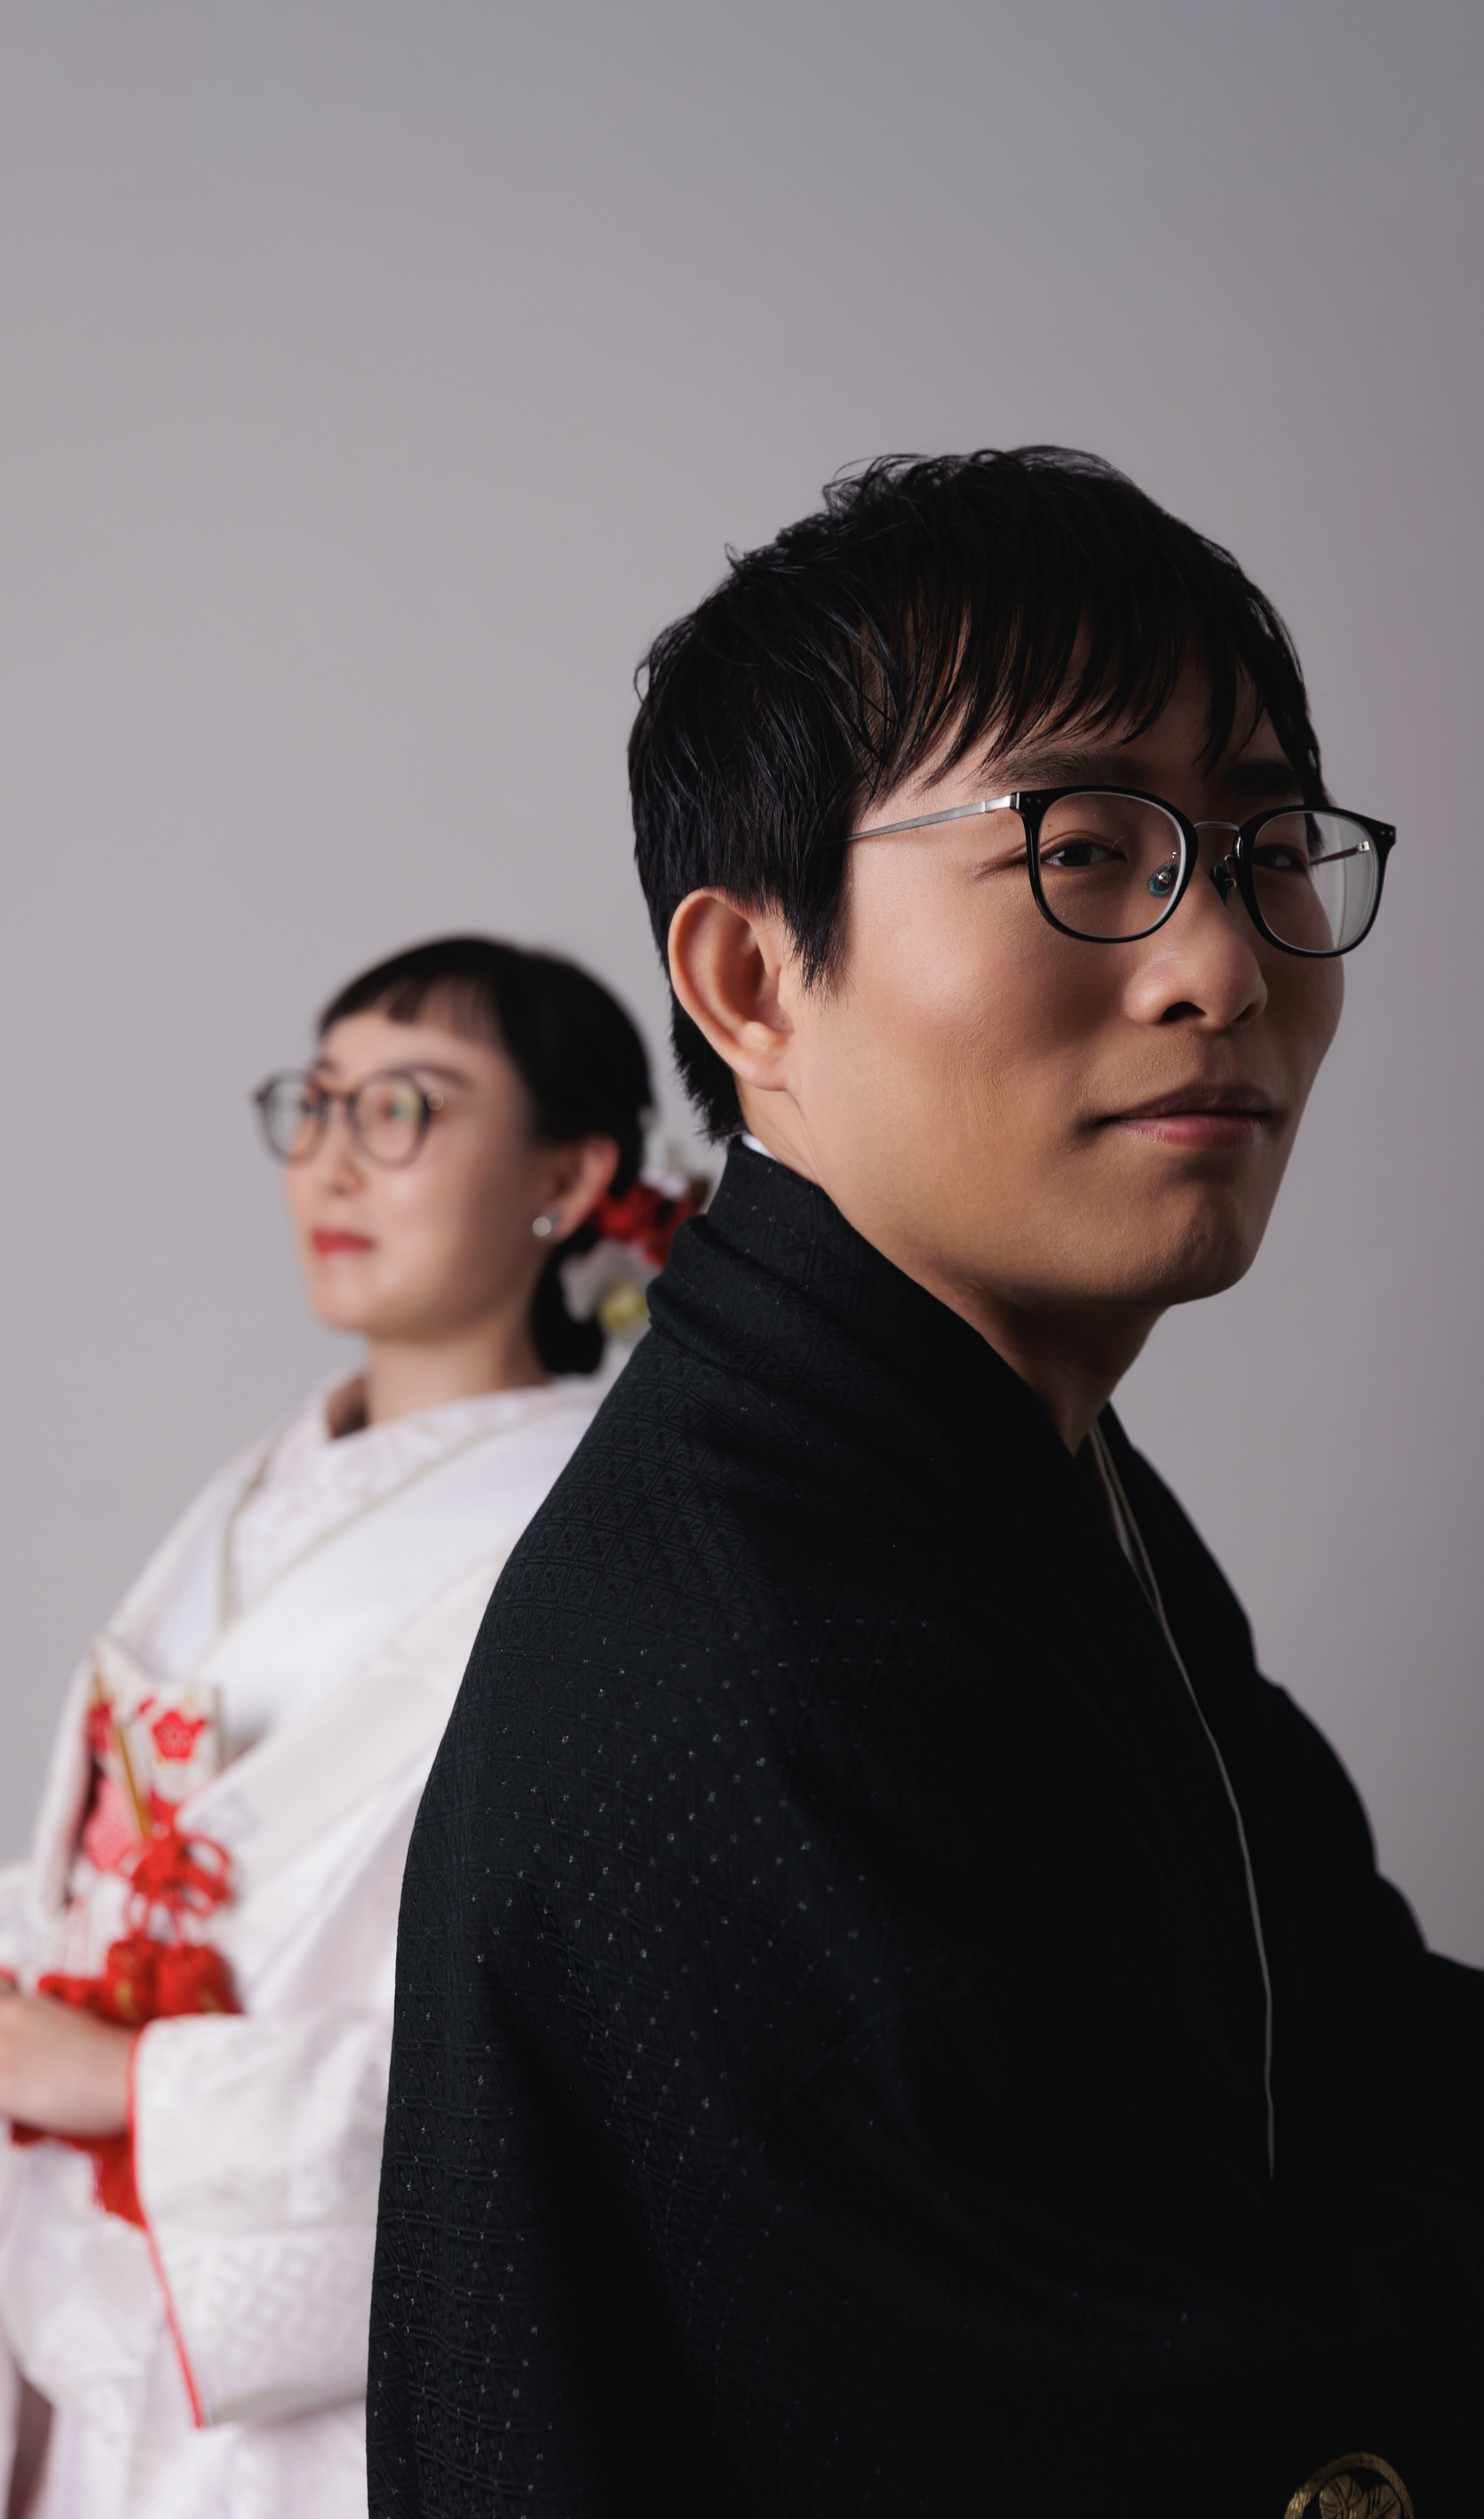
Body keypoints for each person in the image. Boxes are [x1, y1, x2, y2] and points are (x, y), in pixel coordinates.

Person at [366, 453, 1484, 2516]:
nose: (1224, 963)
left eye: (1265, 848)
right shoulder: (755, 1664)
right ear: (751, 983)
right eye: (1085, 848)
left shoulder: (1002, 1464)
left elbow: (1359, 2041)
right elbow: (1169, 2445)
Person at [0, 935, 668, 2519]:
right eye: (317, 1104)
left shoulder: (606, 1531)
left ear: (570, 1177)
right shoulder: (255, 1489)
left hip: (320, 2366)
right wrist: (3, 1981)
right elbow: (124, 1858)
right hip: (121, 2300)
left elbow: (581, 2033)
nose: (331, 1162)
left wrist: (139, 2090)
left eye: (406, 1109)